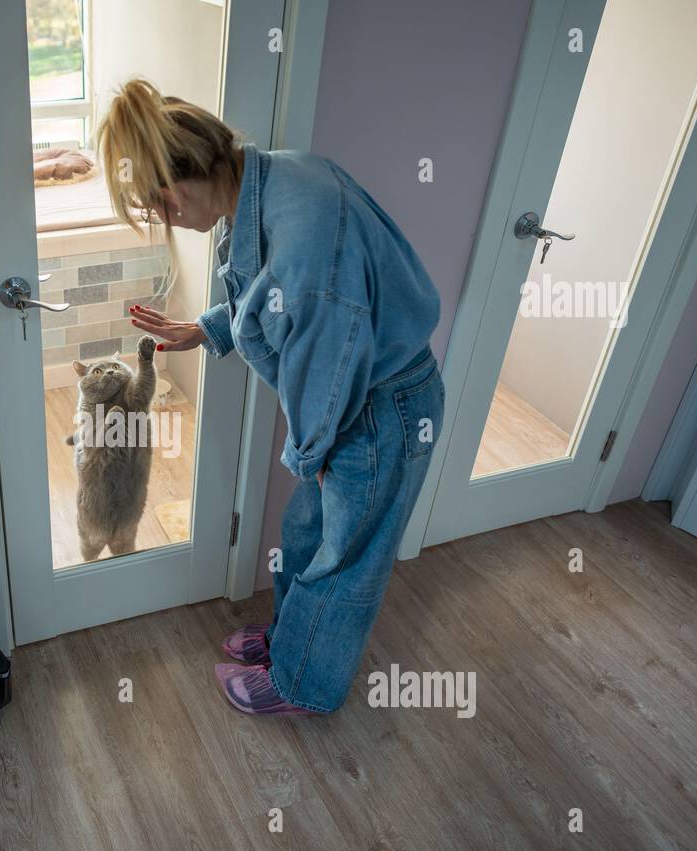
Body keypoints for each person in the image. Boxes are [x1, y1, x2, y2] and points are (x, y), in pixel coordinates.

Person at [98, 79, 444, 716]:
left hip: (378, 410)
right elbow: (261, 296)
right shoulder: (271, 181)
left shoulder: (305, 235)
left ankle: (301, 682)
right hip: (353, 402)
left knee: (343, 563)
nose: (168, 221)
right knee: (306, 533)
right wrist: (203, 328)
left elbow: (324, 367)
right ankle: (294, 643)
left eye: (160, 209)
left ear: (177, 190)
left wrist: (311, 454)